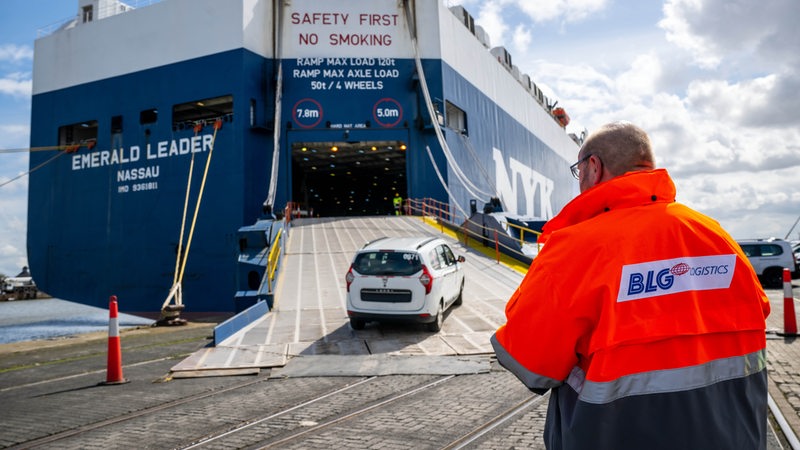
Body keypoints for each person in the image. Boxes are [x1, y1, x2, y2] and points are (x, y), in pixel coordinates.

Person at [491, 122, 770, 449]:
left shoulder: (575, 249)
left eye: (577, 171)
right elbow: (759, 312)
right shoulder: (717, 237)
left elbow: (528, 364)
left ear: (593, 167)